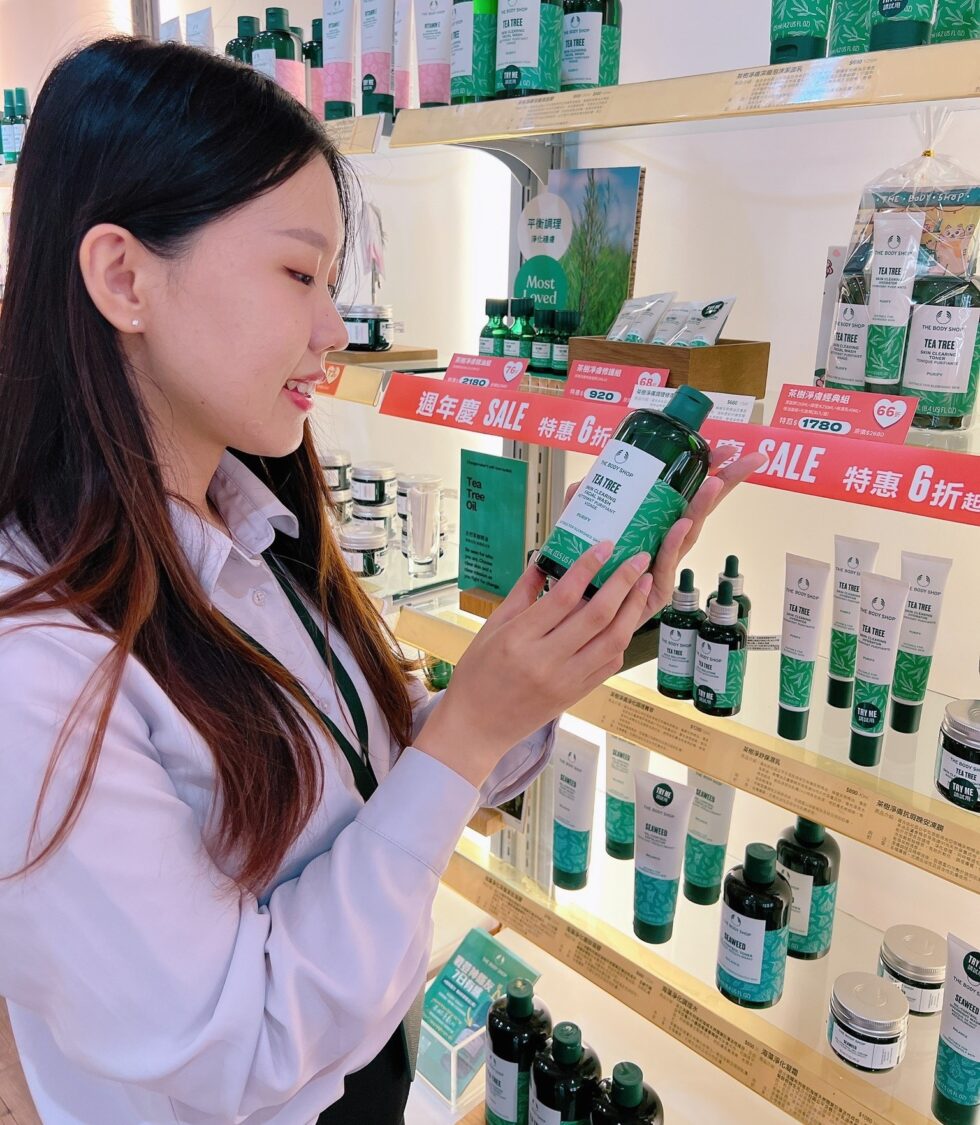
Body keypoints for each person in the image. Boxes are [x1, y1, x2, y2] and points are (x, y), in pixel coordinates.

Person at [0, 37, 759, 1125]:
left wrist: (522, 683)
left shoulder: (251, 529)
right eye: (299, 274)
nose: (332, 331)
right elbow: (241, 1045)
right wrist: (468, 732)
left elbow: (367, 778)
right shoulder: (36, 669)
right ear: (125, 276)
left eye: (333, 284)